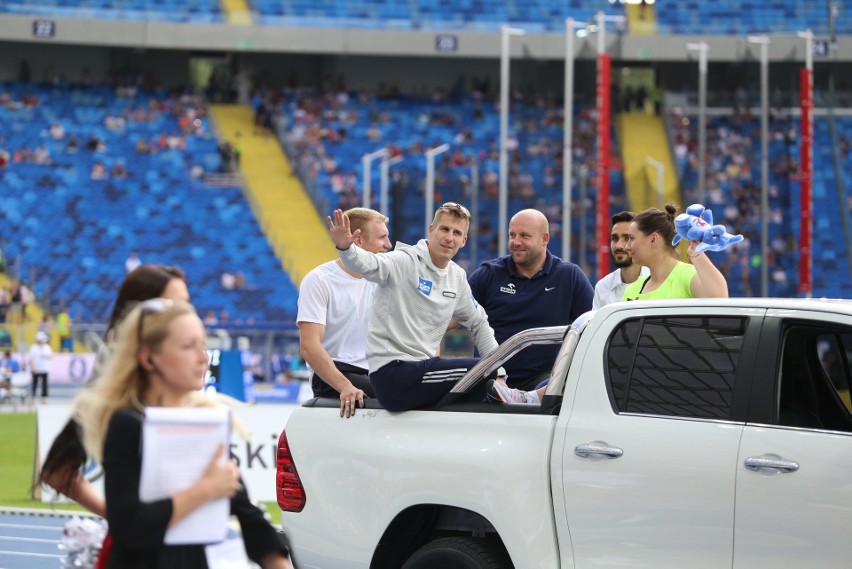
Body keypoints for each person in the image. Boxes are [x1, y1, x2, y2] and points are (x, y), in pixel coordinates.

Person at [74, 299, 293, 569]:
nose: (203, 357)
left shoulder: (206, 420)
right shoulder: (126, 424)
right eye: (188, 347)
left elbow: (249, 517)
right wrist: (206, 490)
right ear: (148, 357)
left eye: (203, 344)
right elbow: (129, 527)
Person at [40, 265, 190, 518]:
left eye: (186, 304)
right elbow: (58, 471)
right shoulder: (116, 384)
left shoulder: (185, 370)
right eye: (172, 305)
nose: (185, 314)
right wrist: (119, 518)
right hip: (145, 547)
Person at [328, 202, 499, 412]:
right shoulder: (404, 261)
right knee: (484, 371)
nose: (449, 237)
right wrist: (346, 248)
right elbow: (369, 264)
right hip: (394, 375)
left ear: (464, 240)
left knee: (487, 379)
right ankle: (515, 397)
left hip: (423, 375)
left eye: (457, 233)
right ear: (431, 230)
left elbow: (479, 322)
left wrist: (501, 375)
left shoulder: (457, 276)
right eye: (444, 229)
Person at [468, 209, 593, 391]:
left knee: (567, 385)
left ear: (545, 238)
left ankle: (530, 398)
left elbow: (592, 327)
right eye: (512, 235)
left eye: (524, 236)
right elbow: (450, 316)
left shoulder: (570, 277)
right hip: (490, 376)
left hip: (545, 381)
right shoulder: (488, 274)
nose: (516, 242)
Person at [297, 207, 391, 417]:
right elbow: (309, 347)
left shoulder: (383, 278)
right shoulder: (319, 280)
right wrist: (345, 386)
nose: (388, 244)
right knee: (400, 394)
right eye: (382, 237)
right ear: (358, 240)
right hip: (334, 374)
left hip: (375, 374)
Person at [623, 204, 729, 301]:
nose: (627, 246)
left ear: (653, 239)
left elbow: (719, 300)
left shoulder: (687, 276)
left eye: (631, 238)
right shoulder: (631, 291)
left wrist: (698, 255)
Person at [593, 211, 651, 309]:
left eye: (627, 238)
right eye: (614, 238)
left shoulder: (658, 281)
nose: (619, 245)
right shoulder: (602, 287)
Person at [28, 331, 52, 404]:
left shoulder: (47, 347)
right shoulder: (33, 347)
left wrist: (45, 355)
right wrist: (33, 367)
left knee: (44, 384)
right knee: (34, 384)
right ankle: (33, 398)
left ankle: (43, 398)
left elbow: (50, 357)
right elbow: (30, 359)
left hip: (45, 368)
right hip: (36, 369)